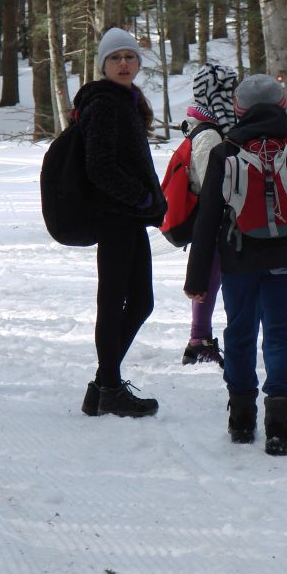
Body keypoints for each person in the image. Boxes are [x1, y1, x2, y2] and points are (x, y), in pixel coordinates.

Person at [184, 74, 287, 456]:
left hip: (238, 261)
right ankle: (279, 424)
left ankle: (241, 420)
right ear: (281, 106)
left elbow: (207, 219)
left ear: (238, 110)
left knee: (239, 334)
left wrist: (197, 279)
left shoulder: (225, 153)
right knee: (279, 335)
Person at [77, 27, 166, 418]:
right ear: (103, 65)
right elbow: (99, 166)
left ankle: (102, 385)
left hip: (129, 217)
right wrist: (141, 196)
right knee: (113, 303)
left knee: (139, 301)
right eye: (116, 58)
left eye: (130, 56)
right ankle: (109, 388)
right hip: (115, 217)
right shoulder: (105, 104)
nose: (124, 63)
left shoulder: (126, 100)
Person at [181, 63, 239, 369]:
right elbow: (208, 182)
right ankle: (198, 340)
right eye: (227, 90)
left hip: (217, 216)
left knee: (214, 277)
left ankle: (201, 338)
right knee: (209, 278)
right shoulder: (210, 134)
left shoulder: (212, 129)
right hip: (213, 218)